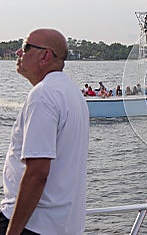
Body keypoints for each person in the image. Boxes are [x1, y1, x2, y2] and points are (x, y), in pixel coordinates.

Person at [0, 29, 89, 235]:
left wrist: (13, 232)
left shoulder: (43, 96)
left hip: (33, 225)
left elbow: (37, 173)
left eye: (25, 47)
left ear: (45, 56)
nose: (18, 53)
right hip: (62, 225)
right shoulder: (71, 93)